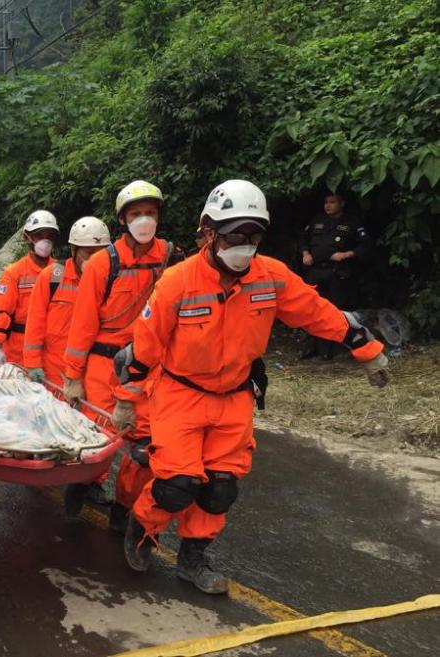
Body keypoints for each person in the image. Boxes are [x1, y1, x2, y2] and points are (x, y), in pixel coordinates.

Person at [119, 180, 389, 594]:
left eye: (253, 235)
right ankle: (144, 531)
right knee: (176, 486)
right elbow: (145, 345)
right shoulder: (178, 282)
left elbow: (319, 313)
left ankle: (193, 560)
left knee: (219, 488)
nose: (244, 244)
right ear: (209, 232)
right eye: (234, 235)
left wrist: (366, 349)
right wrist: (127, 398)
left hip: (235, 397)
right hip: (181, 395)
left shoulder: (271, 277)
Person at [62, 181, 173, 521]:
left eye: (150, 213)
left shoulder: (168, 258)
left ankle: (124, 509)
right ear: (123, 220)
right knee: (95, 440)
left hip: (145, 367)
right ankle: (82, 487)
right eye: (136, 214)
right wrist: (72, 378)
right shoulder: (102, 264)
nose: (144, 220)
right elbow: (81, 326)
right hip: (102, 365)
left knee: (144, 446)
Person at [23, 217, 111, 390]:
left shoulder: (111, 280)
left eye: (100, 253)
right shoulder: (53, 277)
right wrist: (33, 364)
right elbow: (35, 322)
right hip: (54, 373)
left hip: (93, 375)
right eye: (88, 252)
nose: (94, 259)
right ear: (74, 250)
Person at [300, 193, 371, 360]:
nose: (328, 205)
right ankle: (310, 348)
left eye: (332, 202)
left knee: (333, 311)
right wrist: (305, 253)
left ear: (342, 203)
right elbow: (303, 238)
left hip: (336, 273)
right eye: (326, 202)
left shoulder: (352, 222)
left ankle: (328, 350)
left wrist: (347, 254)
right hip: (315, 272)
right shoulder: (317, 220)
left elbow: (366, 246)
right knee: (310, 309)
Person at [0, 210, 59, 366]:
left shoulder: (59, 271)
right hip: (18, 347)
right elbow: (3, 311)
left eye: (49, 236)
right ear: (27, 237)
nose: (45, 241)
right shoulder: (14, 272)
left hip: (51, 346)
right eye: (40, 236)